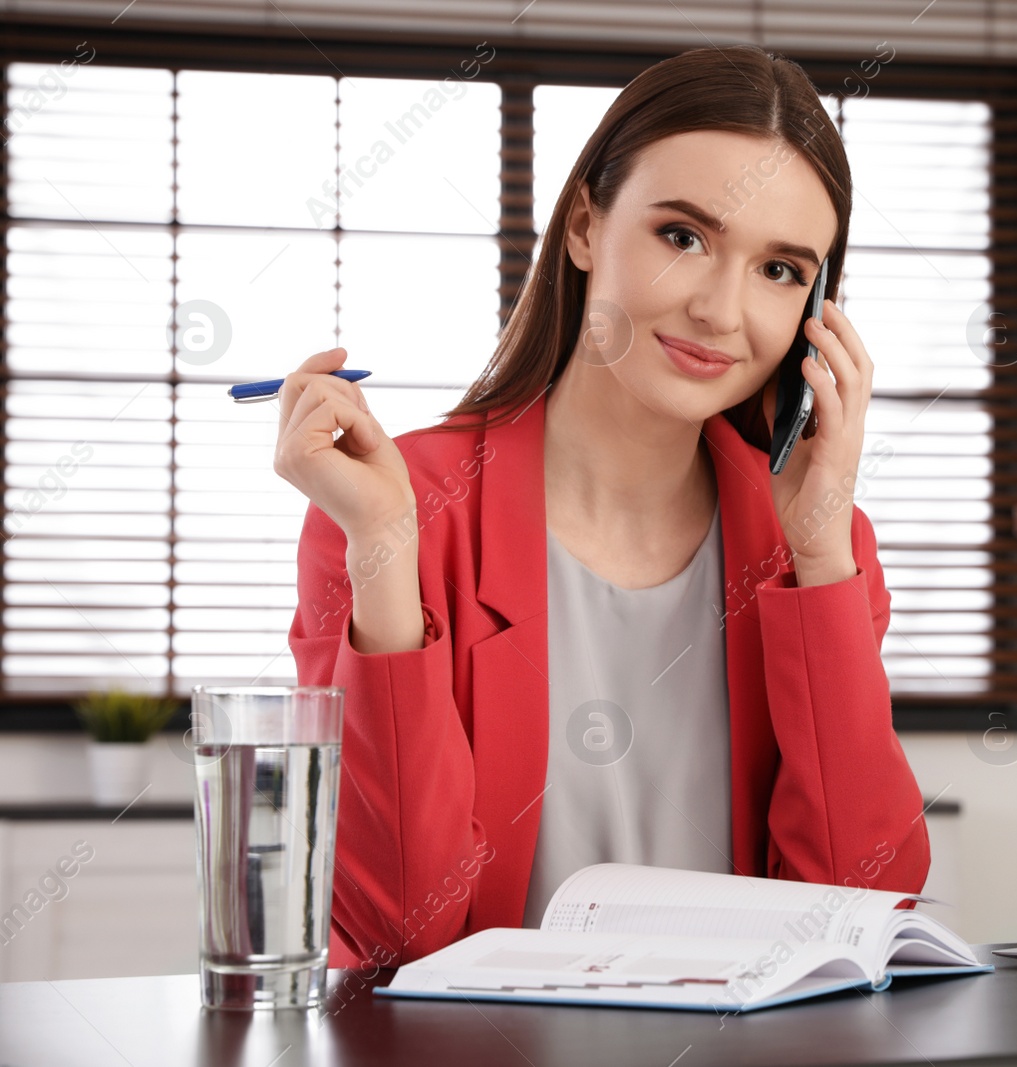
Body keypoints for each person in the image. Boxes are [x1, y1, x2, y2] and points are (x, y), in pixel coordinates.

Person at [282, 44, 930, 969]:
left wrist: (823, 561)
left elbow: (863, 909)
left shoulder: (817, 541)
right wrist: (387, 555)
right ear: (585, 225)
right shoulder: (401, 506)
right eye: (684, 236)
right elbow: (395, 936)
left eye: (780, 270)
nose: (721, 309)